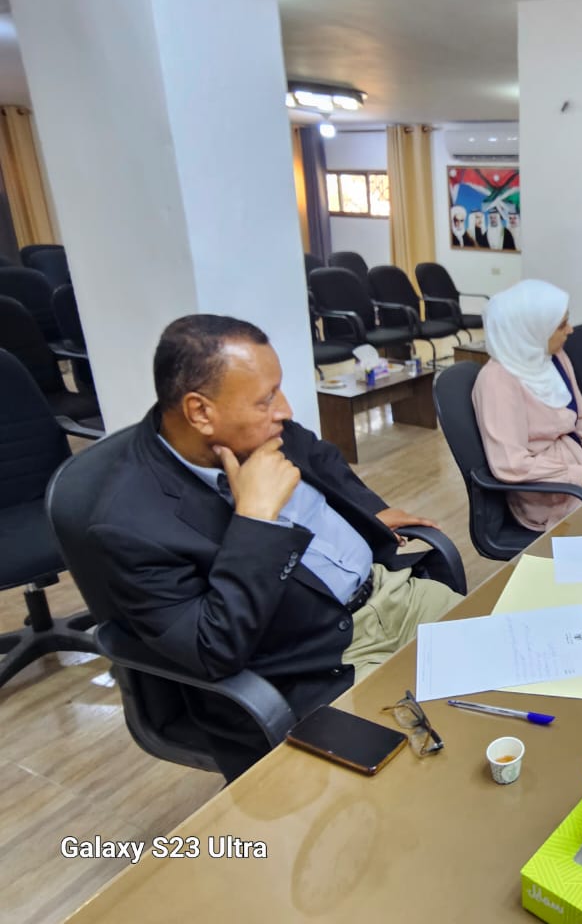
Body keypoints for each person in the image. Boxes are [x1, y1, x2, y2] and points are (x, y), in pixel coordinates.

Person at [79, 315, 463, 778]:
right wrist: (256, 522)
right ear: (200, 412)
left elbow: (321, 458)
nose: (284, 410)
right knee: (444, 763)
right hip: (319, 663)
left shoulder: (261, 428)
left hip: (393, 595)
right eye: (266, 399)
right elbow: (212, 650)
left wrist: (370, 510)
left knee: (524, 673)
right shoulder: (129, 525)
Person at [473, 279, 582, 532]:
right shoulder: (498, 380)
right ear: (532, 330)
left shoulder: (554, 357)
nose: (570, 330)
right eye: (561, 325)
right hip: (547, 487)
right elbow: (511, 464)